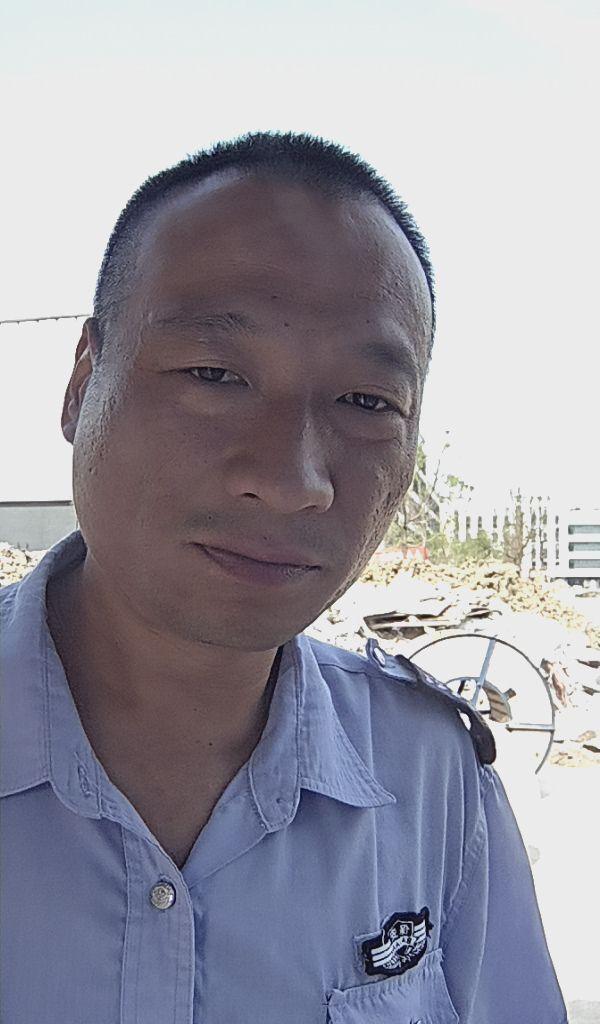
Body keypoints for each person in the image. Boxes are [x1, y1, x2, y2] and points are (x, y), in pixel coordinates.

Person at [0, 132, 566, 1023]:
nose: (294, 479)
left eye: (366, 402)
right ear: (81, 385)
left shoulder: (431, 781)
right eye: (215, 374)